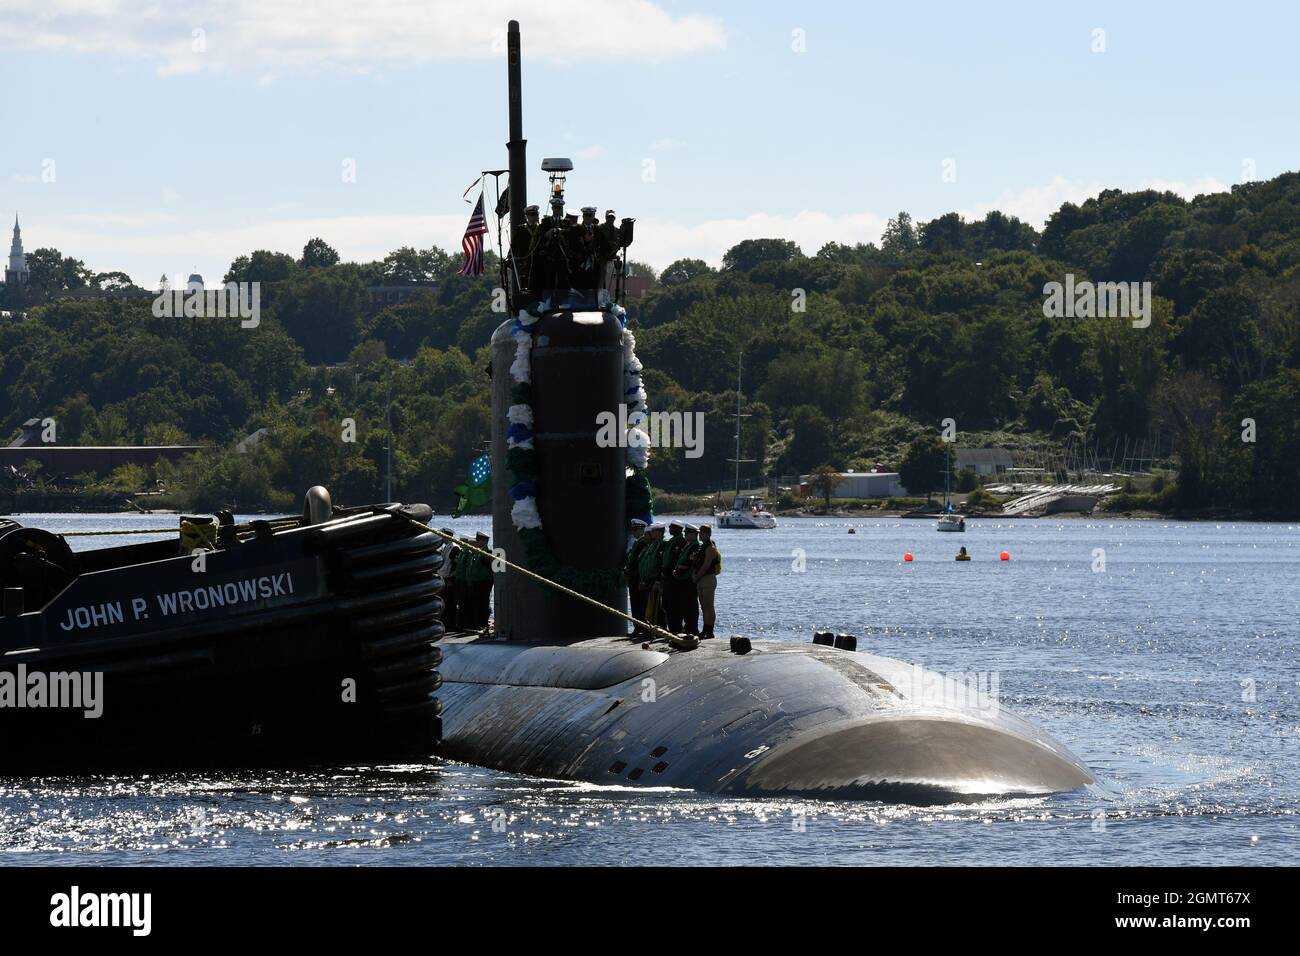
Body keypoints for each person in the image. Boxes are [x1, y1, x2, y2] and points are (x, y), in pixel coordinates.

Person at [692, 524, 722, 640]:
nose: (700, 535)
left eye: (703, 533)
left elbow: (706, 565)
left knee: (709, 605)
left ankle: (709, 630)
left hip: (707, 578)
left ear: (708, 534)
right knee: (703, 606)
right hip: (701, 579)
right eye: (700, 533)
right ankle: (705, 629)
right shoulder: (702, 546)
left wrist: (697, 577)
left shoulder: (710, 547)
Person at [671, 524, 702, 635]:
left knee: (691, 604)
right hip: (682, 579)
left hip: (689, 580)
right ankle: (688, 626)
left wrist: (679, 570)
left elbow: (689, 563)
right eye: (685, 533)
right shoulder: (688, 545)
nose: (685, 535)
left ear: (694, 534)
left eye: (687, 533)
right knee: (684, 604)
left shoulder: (695, 546)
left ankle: (692, 628)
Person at [637, 524, 667, 632]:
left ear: (658, 532)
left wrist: (658, 581)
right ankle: (651, 629)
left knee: (658, 608)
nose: (652, 533)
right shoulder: (653, 545)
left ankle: (660, 630)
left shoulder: (663, 544)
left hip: (656, 581)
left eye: (653, 531)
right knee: (650, 608)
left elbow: (661, 564)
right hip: (648, 581)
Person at [463, 531, 494, 630]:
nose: (476, 542)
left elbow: (490, 569)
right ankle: (477, 623)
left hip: (483, 582)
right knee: (476, 603)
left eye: (478, 540)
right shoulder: (478, 553)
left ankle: (483, 623)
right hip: (476, 582)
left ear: (484, 541)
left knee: (483, 603)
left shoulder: (487, 553)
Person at [659, 521, 687, 633]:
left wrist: (667, 570)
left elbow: (676, 559)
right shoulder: (671, 541)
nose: (669, 529)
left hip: (674, 580)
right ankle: (671, 629)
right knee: (666, 605)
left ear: (678, 529)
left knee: (674, 606)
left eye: (672, 527)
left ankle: (676, 630)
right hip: (667, 579)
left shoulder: (680, 541)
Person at [624, 519, 650, 636]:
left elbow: (635, 560)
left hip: (638, 577)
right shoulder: (637, 542)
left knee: (640, 603)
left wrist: (628, 569)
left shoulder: (642, 542)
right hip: (633, 578)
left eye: (635, 529)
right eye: (632, 529)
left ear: (642, 529)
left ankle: (642, 627)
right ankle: (637, 627)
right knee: (635, 603)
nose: (633, 532)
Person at [439, 534, 461, 631]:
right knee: (445, 602)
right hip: (443, 578)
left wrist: (451, 579)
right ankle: (446, 623)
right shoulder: (446, 547)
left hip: (449, 580)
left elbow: (457, 565)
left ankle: (452, 624)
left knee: (450, 603)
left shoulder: (454, 548)